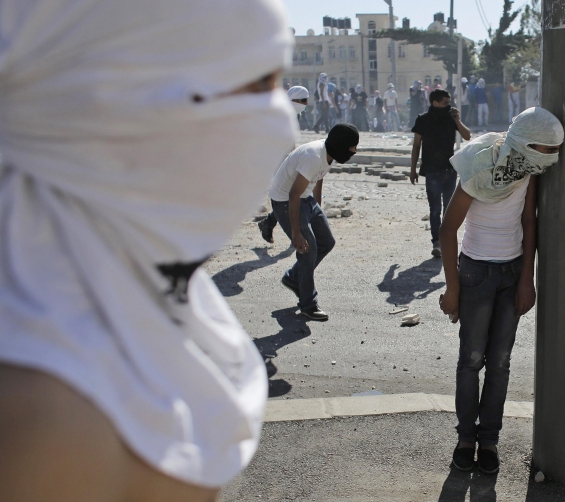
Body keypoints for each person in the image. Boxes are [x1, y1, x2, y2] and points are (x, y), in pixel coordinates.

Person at [0, 0, 297, 501]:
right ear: (117, 100)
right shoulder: (39, 414)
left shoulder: (124, 270)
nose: (280, 123)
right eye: (256, 86)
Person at [438, 107, 564, 474]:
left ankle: (489, 441)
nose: (547, 157)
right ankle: (465, 439)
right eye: (542, 148)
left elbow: (528, 221)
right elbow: (448, 230)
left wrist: (528, 279)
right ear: (525, 144)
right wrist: (452, 288)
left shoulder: (528, 173)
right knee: (471, 360)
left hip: (511, 275)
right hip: (475, 273)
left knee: (501, 363)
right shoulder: (478, 171)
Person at [268, 124, 360, 321]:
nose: (354, 151)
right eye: (352, 147)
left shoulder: (329, 153)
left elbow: (318, 179)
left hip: (305, 198)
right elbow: (293, 194)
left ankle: (294, 278)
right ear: (341, 144)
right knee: (307, 250)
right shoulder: (313, 156)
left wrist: (317, 209)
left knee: (327, 242)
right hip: (286, 201)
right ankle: (308, 305)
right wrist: (296, 233)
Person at [410, 89, 471, 257]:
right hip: (432, 171)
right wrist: (412, 169)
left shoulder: (450, 118)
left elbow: (467, 136)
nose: (448, 106)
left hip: (449, 170)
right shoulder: (423, 120)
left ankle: (446, 242)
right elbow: (416, 146)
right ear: (435, 103)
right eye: (445, 103)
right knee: (435, 209)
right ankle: (437, 243)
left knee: (449, 210)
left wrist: (457, 120)